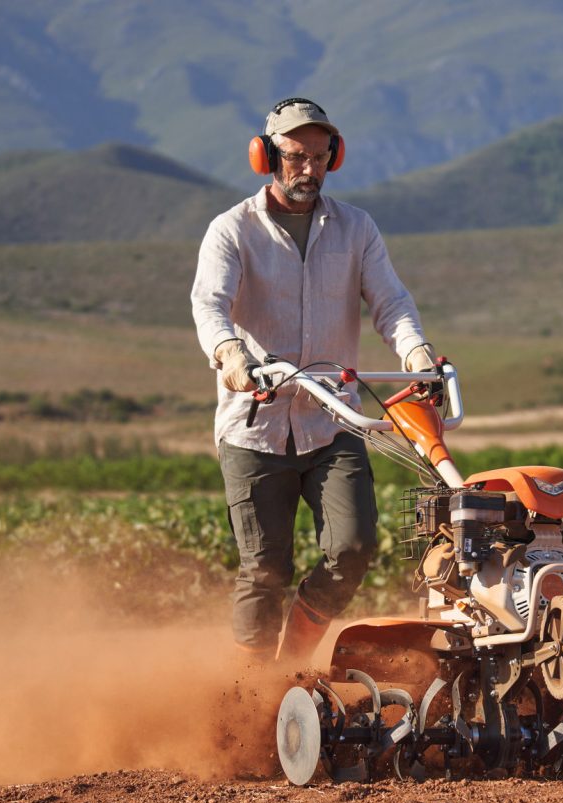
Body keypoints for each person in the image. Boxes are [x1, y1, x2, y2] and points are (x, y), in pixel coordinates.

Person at [191, 97, 437, 664]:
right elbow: (210, 305)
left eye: (320, 157)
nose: (308, 169)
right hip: (255, 426)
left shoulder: (355, 228)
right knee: (264, 568)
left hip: (332, 420)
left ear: (334, 157)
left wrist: (415, 350)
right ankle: (251, 689)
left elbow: (391, 302)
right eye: (296, 157)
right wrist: (230, 352)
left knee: (353, 547)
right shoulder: (232, 230)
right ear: (266, 156)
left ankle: (293, 664)